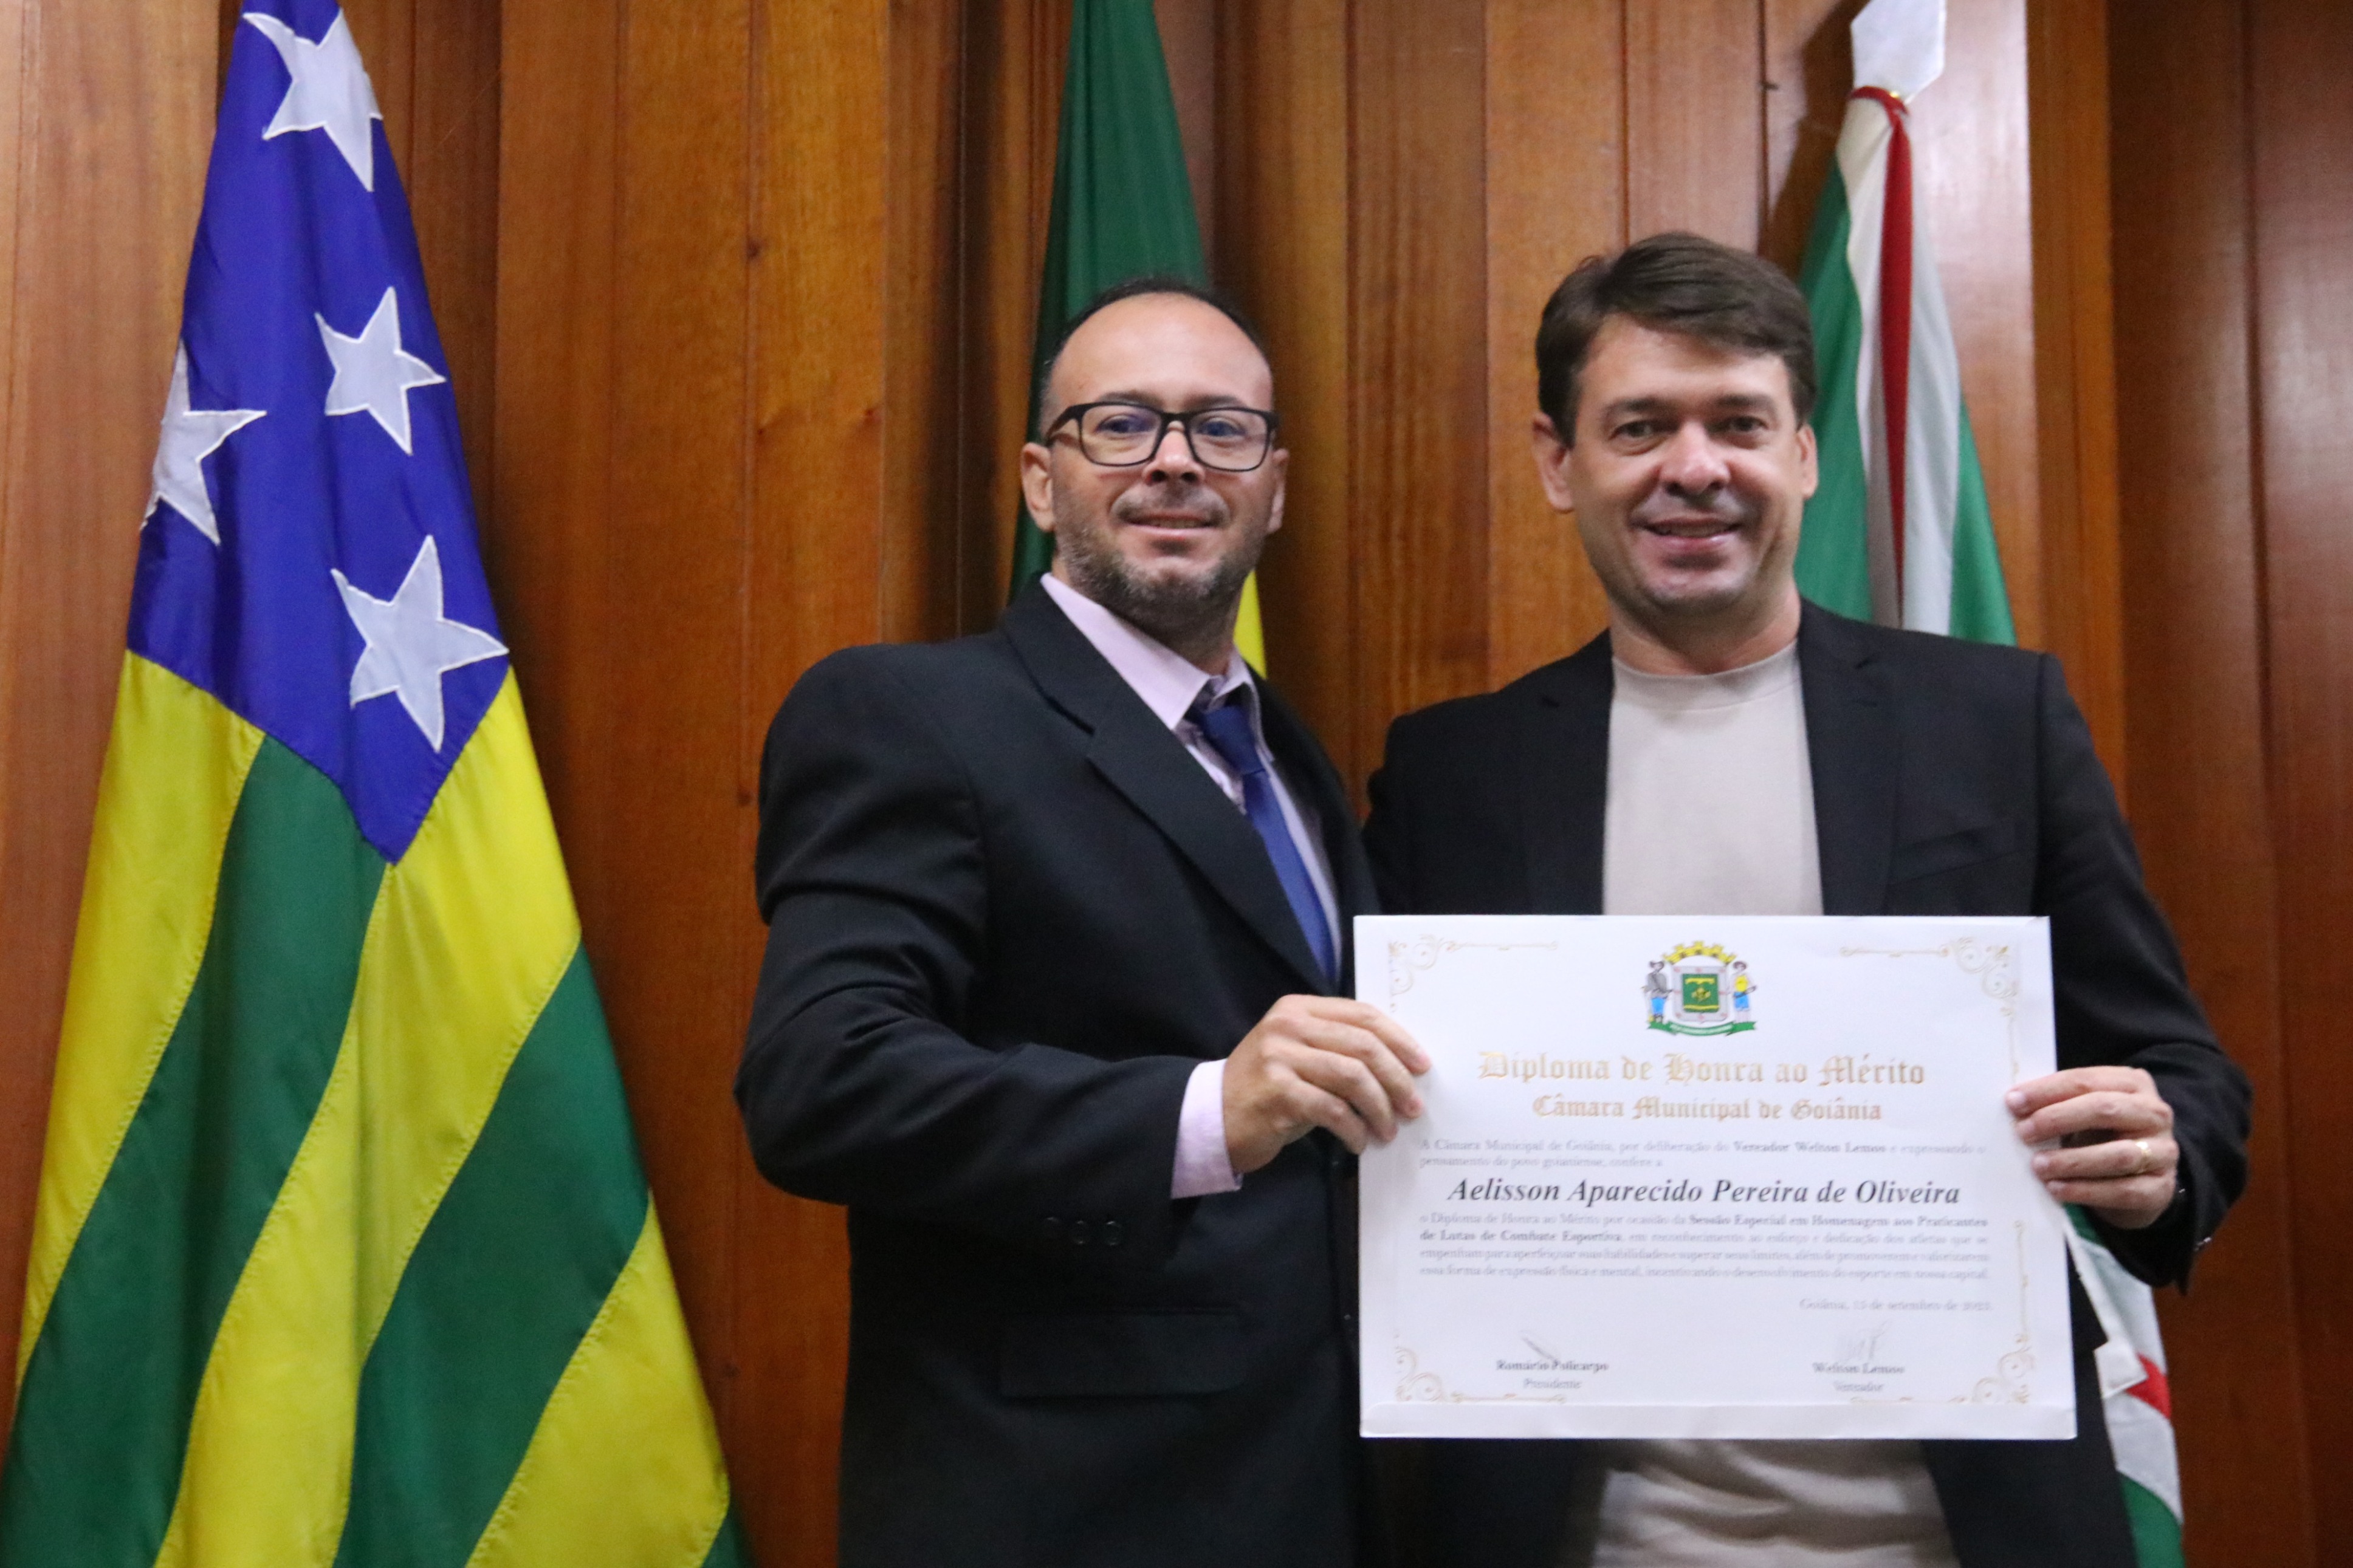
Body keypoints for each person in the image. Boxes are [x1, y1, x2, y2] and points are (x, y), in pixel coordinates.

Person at [1361, 233, 2249, 1568]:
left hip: (1962, 1529)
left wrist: (2159, 1154)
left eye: (1739, 423)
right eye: (1640, 426)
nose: (1694, 467)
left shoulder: (1993, 723)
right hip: (1592, 1536)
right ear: (1558, 461)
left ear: (1806, 454)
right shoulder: (1453, 775)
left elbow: (2182, 1068)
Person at [737, 277, 1427, 1568]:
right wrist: (1204, 1112)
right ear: (1039, 482)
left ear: (1274, 487)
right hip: (1059, 1509)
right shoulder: (910, 715)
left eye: (1222, 428)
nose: (1175, 460)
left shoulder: (1288, 753)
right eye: (1120, 424)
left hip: (1312, 1494)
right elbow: (821, 1081)